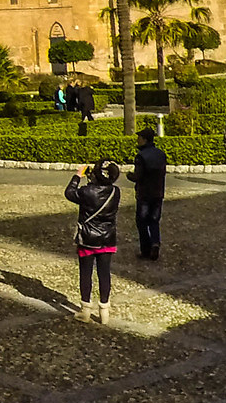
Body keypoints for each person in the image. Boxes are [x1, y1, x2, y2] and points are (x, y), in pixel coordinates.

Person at [65, 160, 123, 322]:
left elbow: (69, 193)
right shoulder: (115, 192)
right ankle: (104, 311)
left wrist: (78, 175)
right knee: (104, 274)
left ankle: (85, 310)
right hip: (107, 238)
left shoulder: (86, 192)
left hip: (88, 238)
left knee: (86, 273)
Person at [130, 129, 166, 261]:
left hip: (144, 193)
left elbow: (138, 176)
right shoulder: (161, 154)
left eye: (139, 137)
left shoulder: (141, 156)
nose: (137, 140)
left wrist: (129, 176)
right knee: (154, 220)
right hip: (158, 192)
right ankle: (155, 243)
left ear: (144, 139)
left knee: (142, 221)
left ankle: (145, 249)